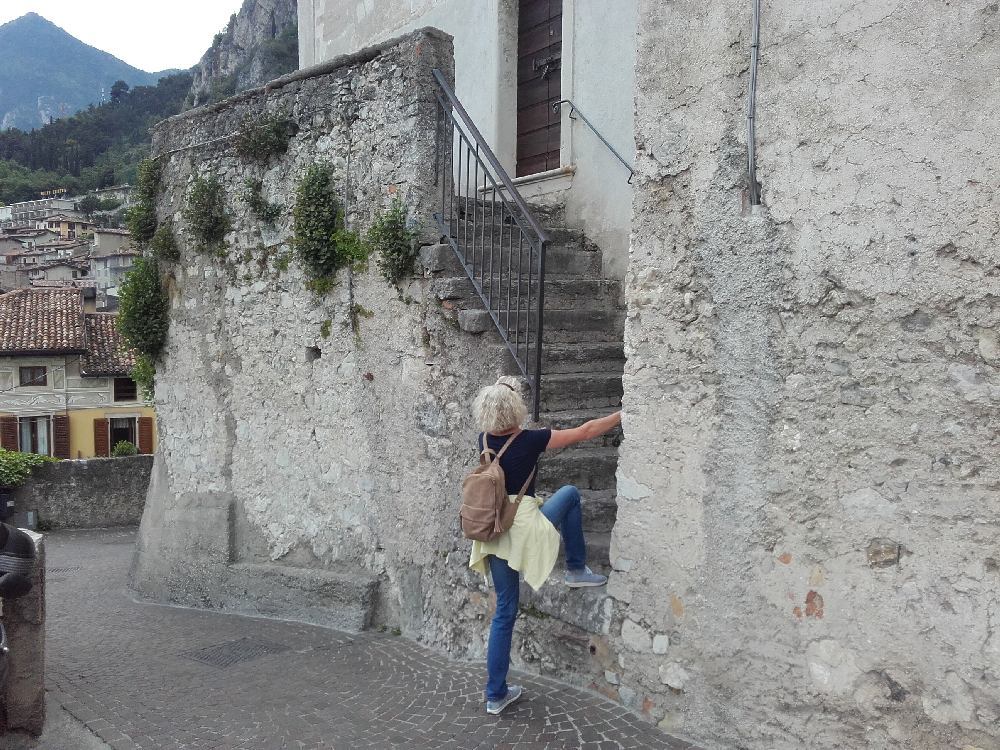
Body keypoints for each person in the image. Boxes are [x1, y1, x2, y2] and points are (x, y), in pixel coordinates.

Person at [468, 375, 622, 715]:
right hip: (523, 527)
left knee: (504, 611)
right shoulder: (531, 439)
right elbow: (586, 431)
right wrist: (622, 414)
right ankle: (576, 569)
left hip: (494, 529)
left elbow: (501, 422)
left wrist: (500, 389)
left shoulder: (484, 439)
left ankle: (495, 695)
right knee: (569, 494)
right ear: (515, 408)